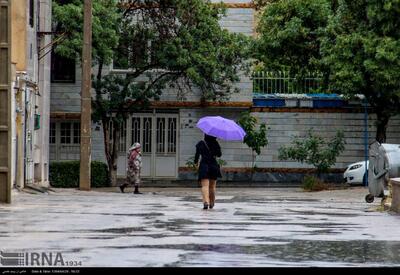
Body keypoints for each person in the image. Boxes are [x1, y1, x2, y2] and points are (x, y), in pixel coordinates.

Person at [194, 134, 222, 210]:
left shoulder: (201, 143)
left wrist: (196, 163)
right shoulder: (215, 143)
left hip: (204, 165)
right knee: (212, 187)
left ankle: (206, 202)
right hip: (213, 165)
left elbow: (197, 156)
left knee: (205, 186)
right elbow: (219, 154)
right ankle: (212, 203)